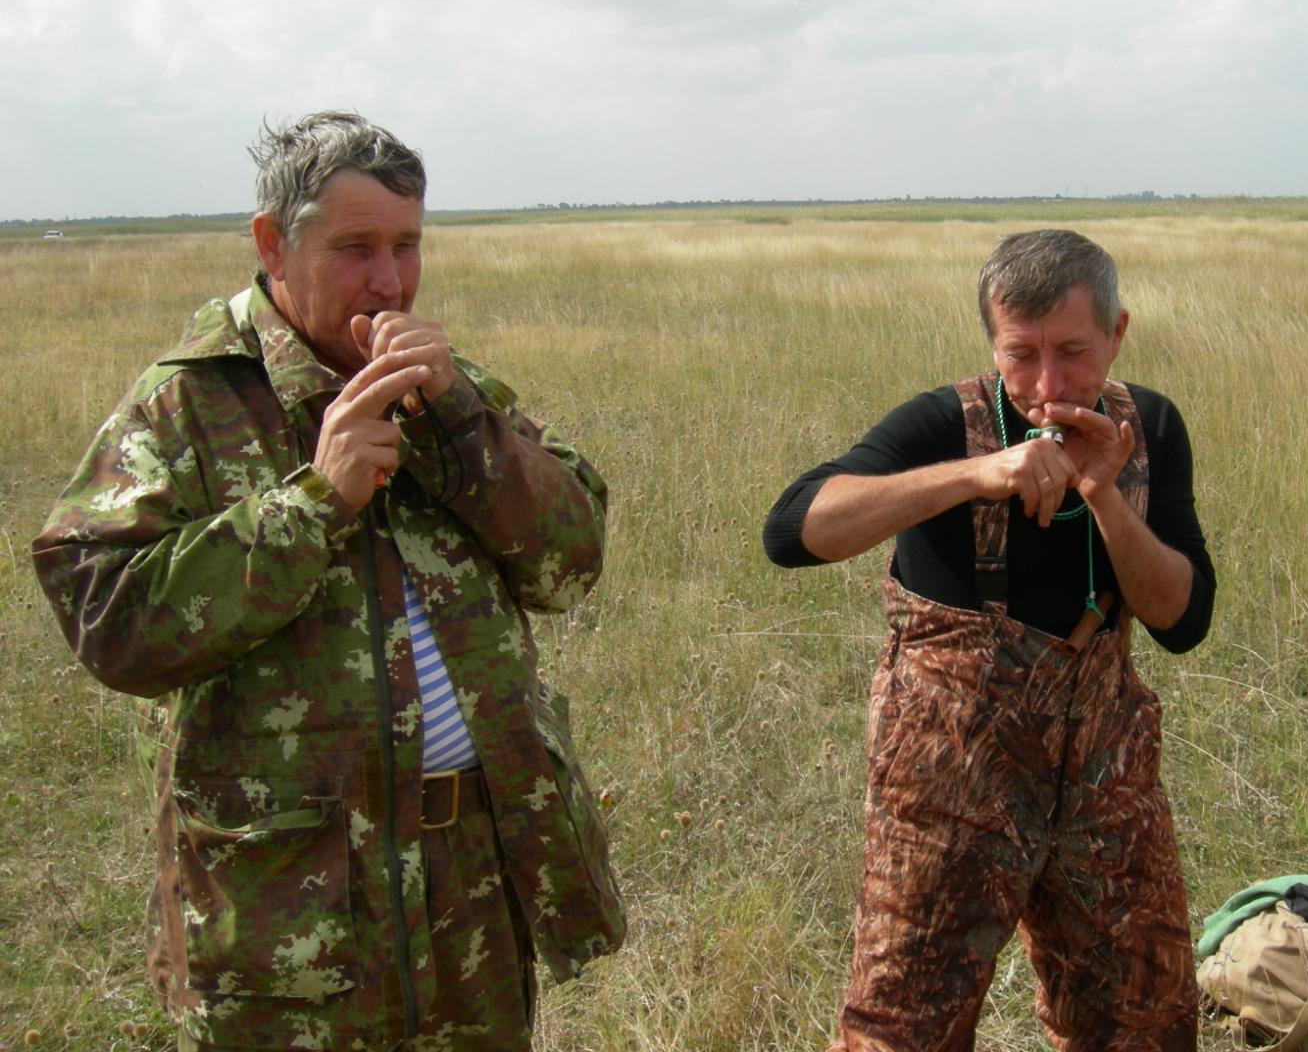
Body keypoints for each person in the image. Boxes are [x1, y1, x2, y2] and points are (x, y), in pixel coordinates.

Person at [33, 111, 623, 1050]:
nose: (389, 281)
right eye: (356, 249)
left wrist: (463, 426)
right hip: (289, 915)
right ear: (273, 244)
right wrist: (311, 504)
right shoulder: (188, 401)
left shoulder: (446, 386)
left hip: (471, 887)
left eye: (406, 245)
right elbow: (111, 623)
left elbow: (572, 563)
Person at [763, 229, 1215, 1052]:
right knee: (902, 1031)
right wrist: (978, 476)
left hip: (1105, 777)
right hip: (947, 786)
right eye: (1020, 354)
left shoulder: (1148, 426)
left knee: (1145, 1021)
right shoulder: (944, 424)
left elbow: (1183, 622)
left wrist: (1106, 497)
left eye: (1073, 352)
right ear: (992, 344)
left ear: (1117, 333)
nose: (1048, 385)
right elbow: (792, 530)